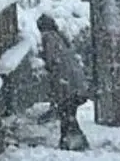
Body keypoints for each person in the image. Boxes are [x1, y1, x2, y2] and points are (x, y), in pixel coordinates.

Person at [37, 14, 90, 150]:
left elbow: (51, 59)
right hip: (76, 82)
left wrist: (45, 65)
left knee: (66, 113)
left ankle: (74, 142)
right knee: (68, 113)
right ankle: (69, 141)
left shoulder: (48, 37)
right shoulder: (60, 37)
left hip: (66, 83)